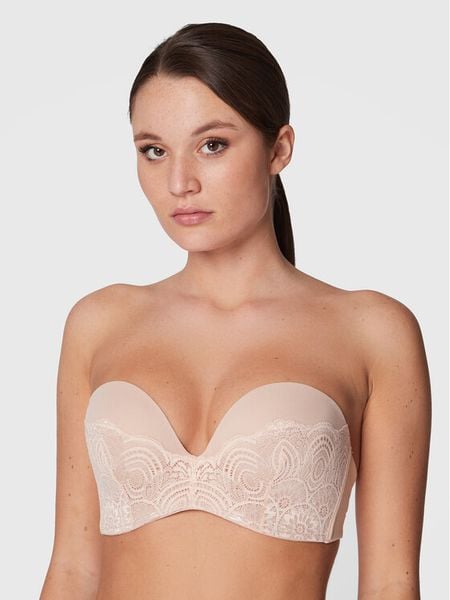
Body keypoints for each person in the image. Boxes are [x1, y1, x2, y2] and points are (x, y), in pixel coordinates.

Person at [40, 22, 431, 600]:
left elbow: (392, 584)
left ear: (279, 149)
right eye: (153, 151)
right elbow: (73, 570)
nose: (180, 182)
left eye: (213, 145)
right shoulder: (99, 324)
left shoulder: (373, 332)